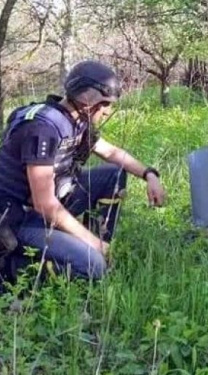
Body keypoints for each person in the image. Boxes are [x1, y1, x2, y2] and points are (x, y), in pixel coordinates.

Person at [0, 59, 166, 282]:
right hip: (20, 218)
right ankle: (14, 267)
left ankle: (89, 243)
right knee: (93, 266)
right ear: (88, 100)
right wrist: (95, 246)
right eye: (105, 104)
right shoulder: (43, 128)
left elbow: (110, 152)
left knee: (113, 175)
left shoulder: (76, 120)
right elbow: (44, 204)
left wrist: (149, 174)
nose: (108, 111)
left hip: (51, 205)